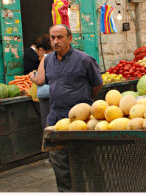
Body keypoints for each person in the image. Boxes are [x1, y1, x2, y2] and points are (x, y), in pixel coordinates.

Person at [33, 24, 103, 191]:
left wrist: (86, 101)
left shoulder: (84, 59)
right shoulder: (48, 60)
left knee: (88, 161)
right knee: (59, 164)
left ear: (70, 39)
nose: (56, 41)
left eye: (60, 37)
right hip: (56, 118)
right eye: (52, 38)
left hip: (82, 119)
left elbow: (97, 84)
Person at [29, 33, 53, 131]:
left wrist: (32, 77)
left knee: (48, 125)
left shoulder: (45, 58)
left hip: (47, 96)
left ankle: (50, 143)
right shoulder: (57, 55)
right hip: (60, 93)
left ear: (41, 49)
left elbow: (40, 80)